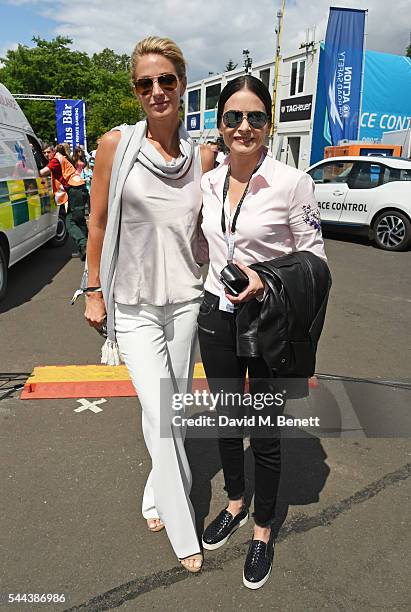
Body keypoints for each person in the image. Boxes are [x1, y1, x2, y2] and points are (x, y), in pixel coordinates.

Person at [84, 36, 214, 572]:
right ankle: (184, 531)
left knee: (172, 409)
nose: (156, 91)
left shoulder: (201, 155)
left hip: (185, 299)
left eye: (166, 80)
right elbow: (96, 223)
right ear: (136, 91)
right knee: (161, 413)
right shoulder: (117, 144)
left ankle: (156, 493)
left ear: (182, 83)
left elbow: (211, 227)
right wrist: (93, 290)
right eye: (145, 83)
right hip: (132, 304)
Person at [197, 75, 327, 589]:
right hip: (217, 315)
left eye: (254, 117)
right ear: (221, 125)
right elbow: (202, 245)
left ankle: (262, 529)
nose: (243, 126)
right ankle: (233, 502)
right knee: (228, 421)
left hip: (266, 319)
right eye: (233, 117)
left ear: (268, 125)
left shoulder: (293, 182)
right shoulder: (208, 180)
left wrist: (264, 278)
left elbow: (315, 257)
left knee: (265, 432)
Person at [40, 144, 88, 260]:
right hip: (78, 189)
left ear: (53, 151)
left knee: (69, 221)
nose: (46, 155)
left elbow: (42, 173)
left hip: (75, 190)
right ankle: (86, 249)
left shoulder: (55, 159)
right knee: (79, 220)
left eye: (48, 152)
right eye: (44, 153)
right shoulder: (60, 157)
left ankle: (84, 244)